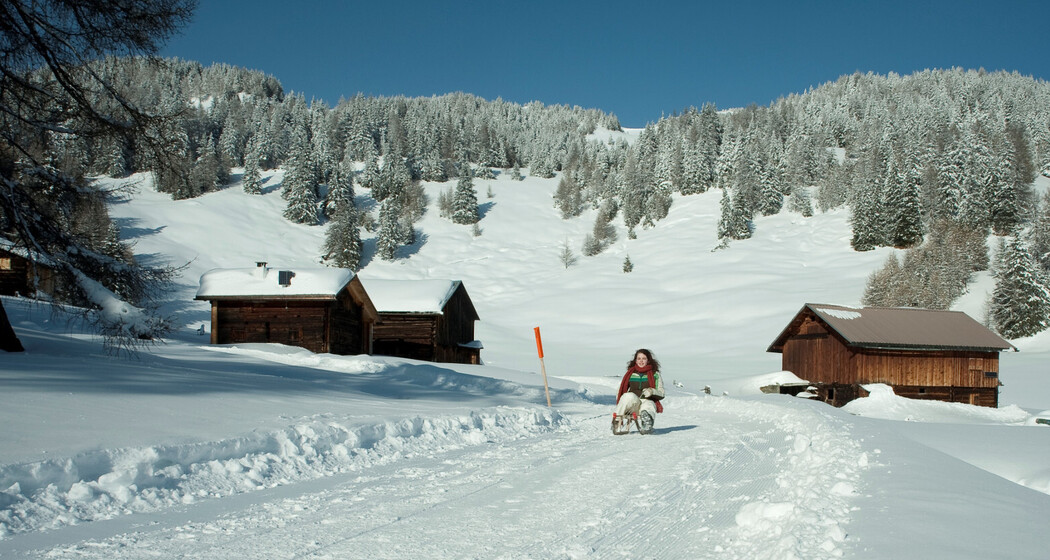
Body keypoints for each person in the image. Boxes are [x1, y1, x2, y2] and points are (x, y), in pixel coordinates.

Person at [613, 348, 665, 434]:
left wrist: (652, 392)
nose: (641, 361)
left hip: (646, 402)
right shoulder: (630, 374)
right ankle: (617, 421)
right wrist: (622, 402)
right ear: (635, 360)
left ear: (648, 360)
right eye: (639, 358)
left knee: (648, 404)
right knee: (628, 395)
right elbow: (620, 391)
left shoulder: (655, 374)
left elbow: (662, 393)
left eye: (644, 358)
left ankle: (647, 422)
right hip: (633, 405)